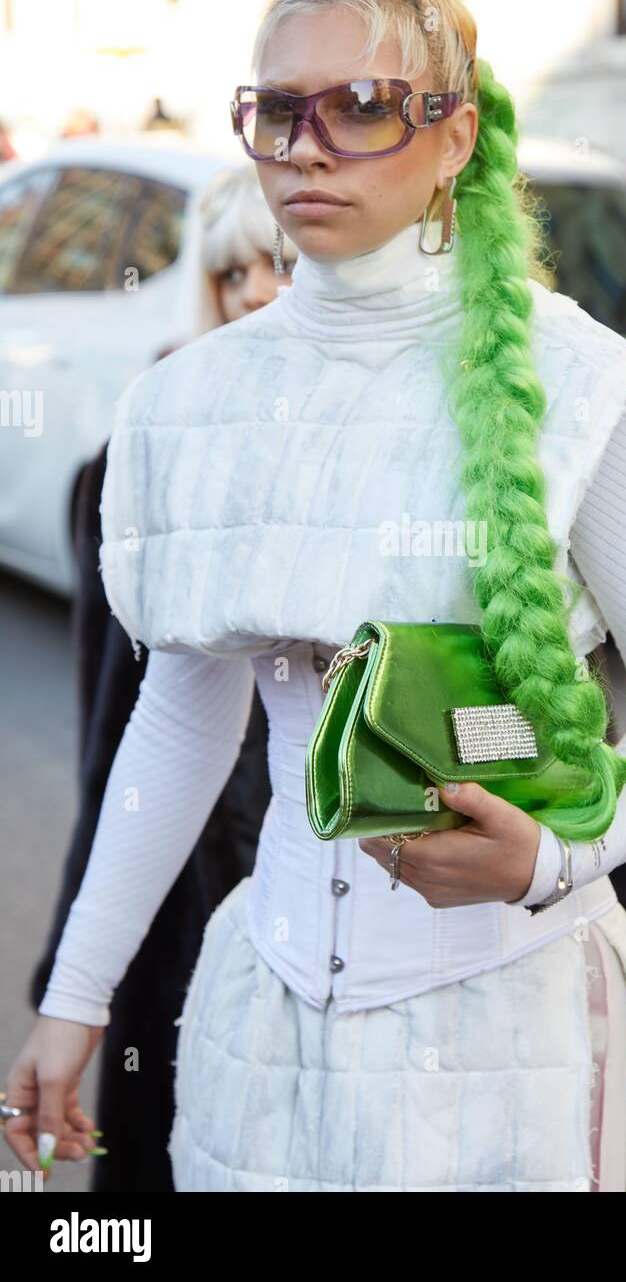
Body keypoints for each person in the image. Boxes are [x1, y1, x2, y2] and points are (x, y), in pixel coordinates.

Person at [4, 0, 626, 1192]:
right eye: (273, 109)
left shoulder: (572, 385)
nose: (305, 148)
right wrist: (77, 995)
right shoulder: (189, 398)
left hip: (505, 1025)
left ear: (453, 133)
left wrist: (562, 848)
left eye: (357, 106)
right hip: (257, 1018)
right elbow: (184, 721)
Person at [25, 167, 297, 1191]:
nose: (259, 293)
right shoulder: (148, 459)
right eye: (233, 273)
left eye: (281, 263)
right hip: (197, 886)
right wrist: (79, 976)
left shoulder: (412, 445)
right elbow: (126, 742)